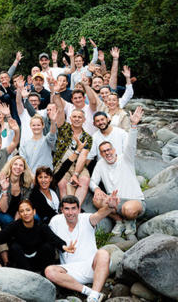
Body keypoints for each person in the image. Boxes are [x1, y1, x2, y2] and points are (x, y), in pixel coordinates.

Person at [46, 194, 118, 302]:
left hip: (93, 268)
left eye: (73, 208)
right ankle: (89, 291)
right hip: (70, 271)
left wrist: (110, 207)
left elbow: (99, 214)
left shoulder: (86, 218)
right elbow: (49, 238)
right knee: (49, 271)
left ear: (79, 209)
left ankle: (93, 297)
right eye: (67, 209)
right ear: (61, 210)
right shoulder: (55, 221)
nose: (70, 213)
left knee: (103, 253)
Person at [90, 107, 146, 236]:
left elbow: (131, 145)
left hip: (133, 201)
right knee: (97, 200)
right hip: (114, 202)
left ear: (114, 150)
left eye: (109, 150)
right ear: (101, 154)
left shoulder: (125, 159)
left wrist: (133, 125)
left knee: (129, 209)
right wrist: (97, 189)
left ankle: (129, 220)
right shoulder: (100, 163)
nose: (107, 153)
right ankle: (120, 221)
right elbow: (93, 181)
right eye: (104, 151)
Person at [0, 200, 69, 273]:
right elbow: (3, 235)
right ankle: (28, 275)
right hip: (22, 262)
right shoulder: (15, 225)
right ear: (19, 214)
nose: (25, 213)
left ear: (34, 212)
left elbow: (53, 238)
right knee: (14, 245)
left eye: (28, 210)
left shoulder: (41, 226)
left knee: (48, 246)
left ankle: (46, 276)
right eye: (22, 211)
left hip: (38, 261)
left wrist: (64, 246)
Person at [0, 156, 34, 228]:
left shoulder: (26, 184)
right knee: (9, 221)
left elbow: (24, 204)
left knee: (34, 218)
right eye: (15, 164)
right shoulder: (2, 181)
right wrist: (4, 189)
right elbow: (3, 209)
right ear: (11, 166)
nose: (18, 167)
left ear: (24, 170)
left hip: (19, 211)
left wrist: (18, 216)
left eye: (21, 165)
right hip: (1, 212)